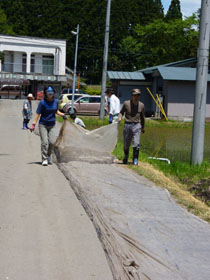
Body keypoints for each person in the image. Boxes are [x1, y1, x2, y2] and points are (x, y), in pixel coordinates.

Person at [30, 86, 67, 166]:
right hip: (43, 124)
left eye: (51, 92)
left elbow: (56, 111)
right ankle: (44, 159)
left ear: (53, 93)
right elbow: (37, 114)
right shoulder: (42, 102)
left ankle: (49, 154)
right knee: (44, 142)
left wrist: (63, 115)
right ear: (45, 93)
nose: (50, 94)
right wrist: (33, 124)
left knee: (52, 142)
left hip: (52, 124)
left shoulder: (56, 101)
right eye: (48, 92)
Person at [118, 88, 145, 166]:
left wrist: (143, 127)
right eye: (135, 95)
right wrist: (120, 117)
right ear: (132, 96)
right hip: (127, 124)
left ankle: (135, 159)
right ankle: (126, 156)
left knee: (136, 143)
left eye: (138, 95)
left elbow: (143, 117)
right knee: (126, 143)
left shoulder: (141, 105)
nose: (136, 97)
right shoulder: (126, 103)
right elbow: (121, 112)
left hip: (137, 125)